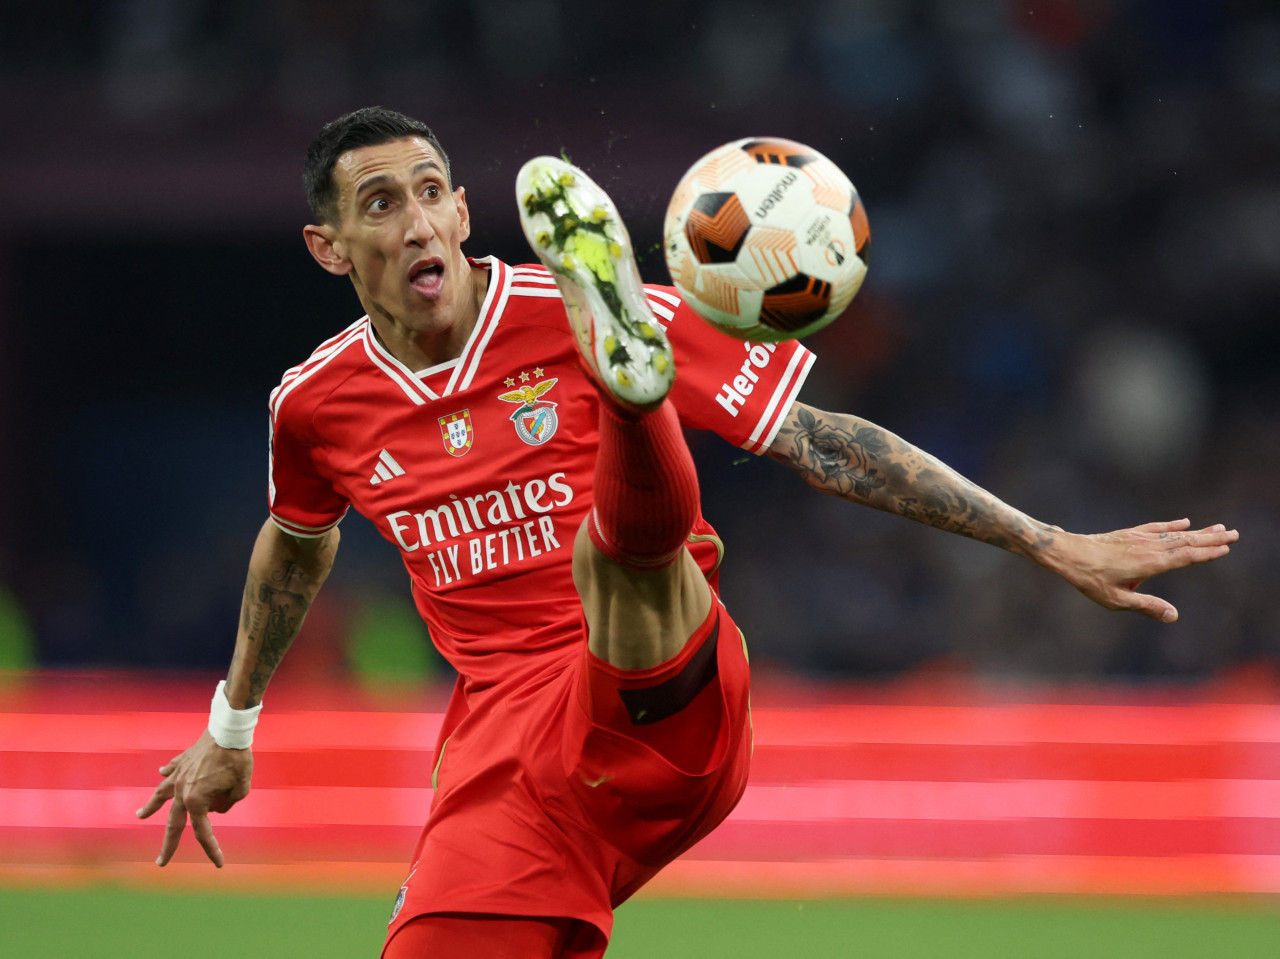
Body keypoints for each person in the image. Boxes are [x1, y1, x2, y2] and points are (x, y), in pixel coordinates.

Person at [137, 107, 1237, 958]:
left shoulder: (550, 309)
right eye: (380, 203)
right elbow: (295, 539)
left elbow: (819, 440)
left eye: (432, 192)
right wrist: (231, 725)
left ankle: (630, 394)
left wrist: (1046, 540)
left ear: (467, 213)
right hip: (512, 762)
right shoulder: (316, 405)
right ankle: (632, 402)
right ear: (328, 247)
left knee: (610, 555)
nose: (417, 220)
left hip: (668, 692)